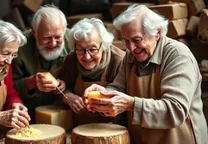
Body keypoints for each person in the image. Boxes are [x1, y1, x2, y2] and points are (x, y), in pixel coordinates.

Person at [83, 4, 208, 144]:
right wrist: (104, 95)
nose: (131, 48)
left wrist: (130, 104)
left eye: (137, 40)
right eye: (126, 41)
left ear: (157, 33)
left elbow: (175, 111)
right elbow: (118, 87)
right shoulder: (130, 56)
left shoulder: (178, 56)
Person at [59, 18, 127, 126]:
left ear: (103, 46)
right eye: (81, 49)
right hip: (79, 128)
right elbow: (59, 89)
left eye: (92, 49)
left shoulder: (118, 61)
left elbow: (126, 101)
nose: (87, 56)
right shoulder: (71, 60)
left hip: (113, 128)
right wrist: (68, 97)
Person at [11, 4, 71, 124]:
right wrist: (32, 82)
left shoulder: (73, 40)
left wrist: (67, 87)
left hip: (65, 114)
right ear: (34, 32)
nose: (53, 43)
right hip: (28, 116)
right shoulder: (19, 47)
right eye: (47, 37)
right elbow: (9, 88)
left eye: (58, 37)